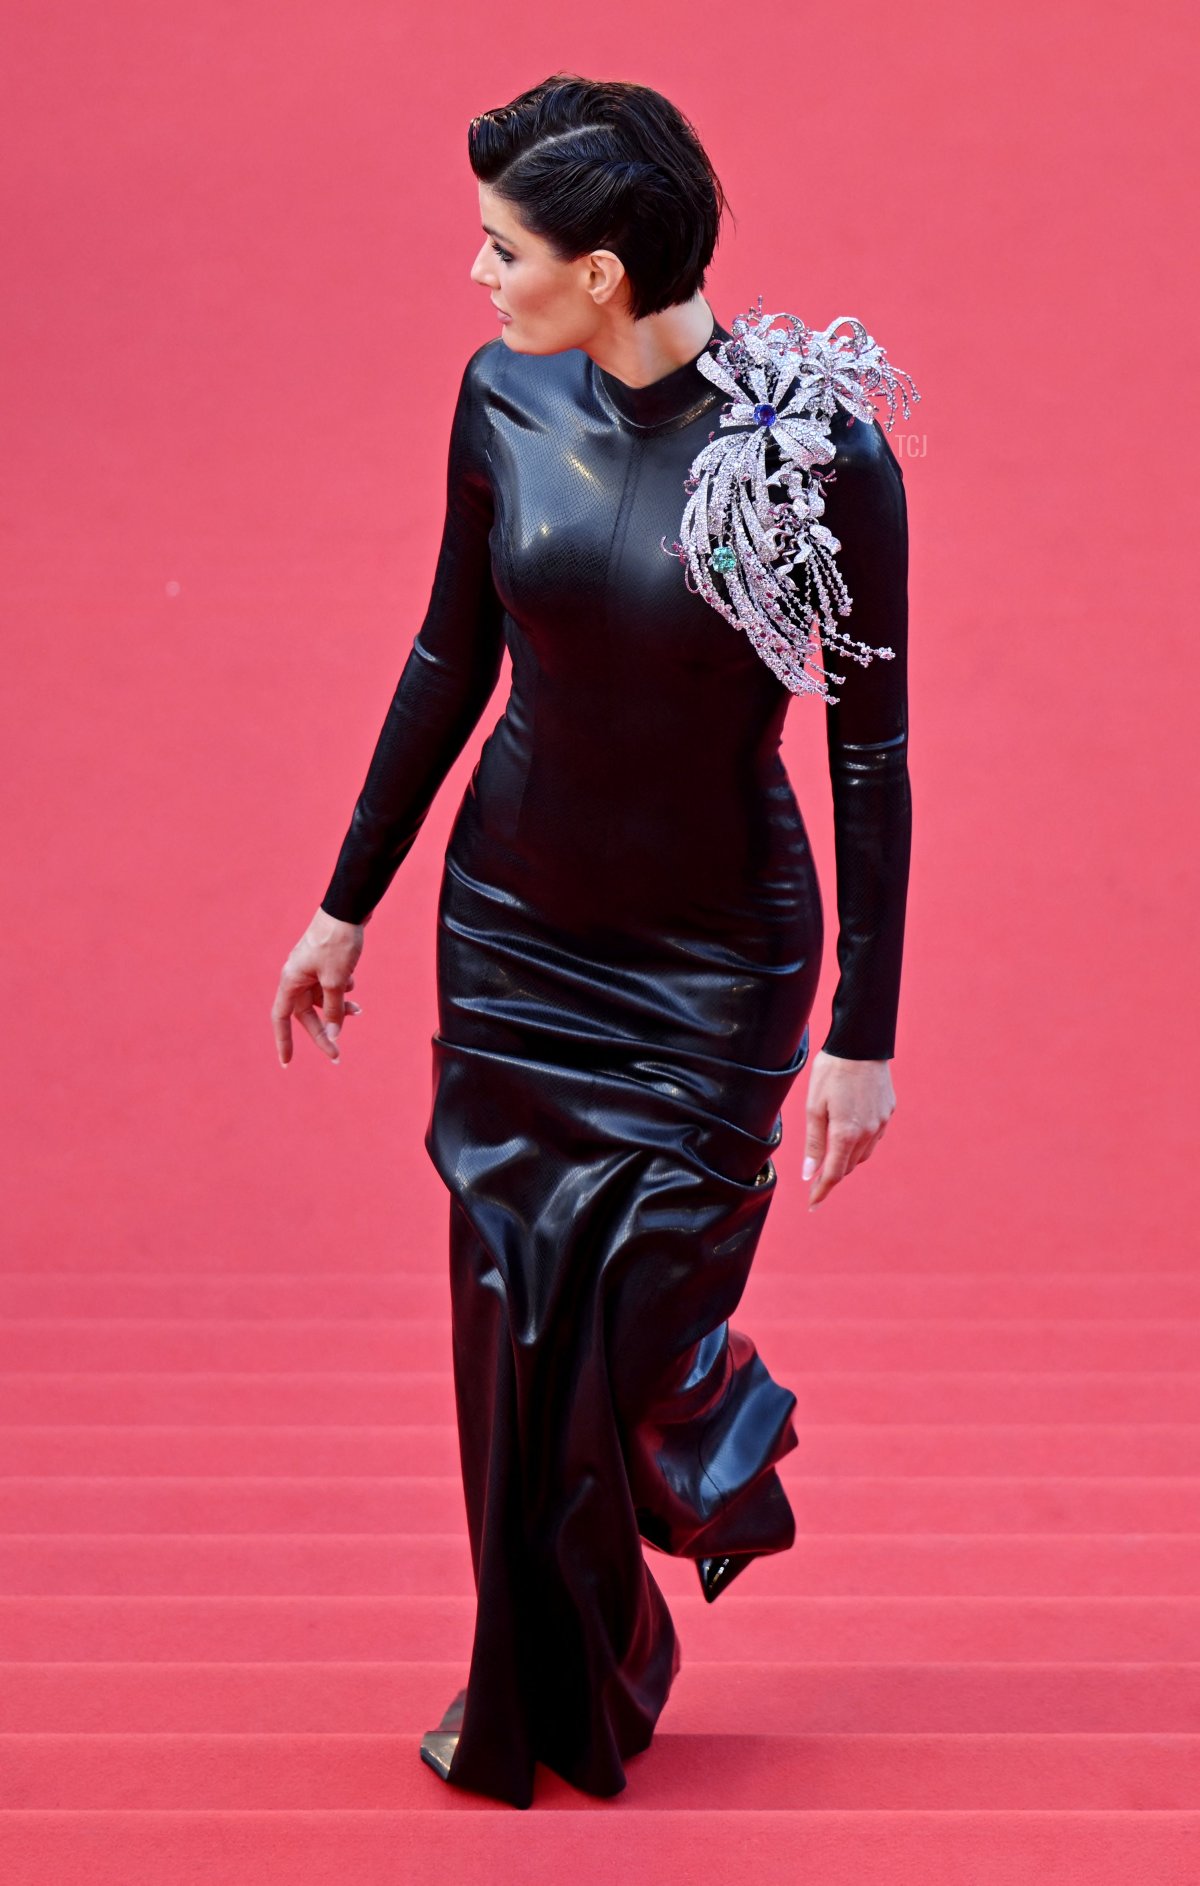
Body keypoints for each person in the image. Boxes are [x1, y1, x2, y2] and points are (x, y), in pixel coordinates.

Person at [270, 72, 914, 1810]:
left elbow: (870, 743)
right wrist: (350, 900)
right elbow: (444, 662)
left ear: (608, 272)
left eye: (504, 251)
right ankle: (567, 1688)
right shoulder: (500, 402)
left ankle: (717, 1442)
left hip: (713, 968)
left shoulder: (815, 455)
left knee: (628, 1343)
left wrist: (866, 1028)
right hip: (517, 941)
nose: (480, 279)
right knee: (510, 1322)